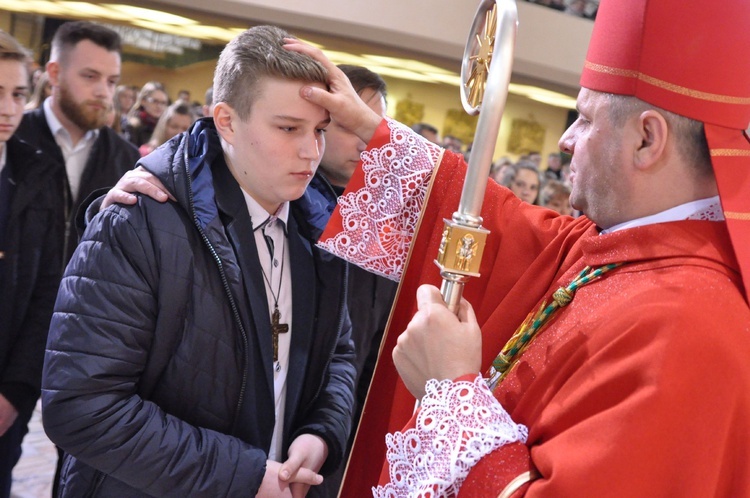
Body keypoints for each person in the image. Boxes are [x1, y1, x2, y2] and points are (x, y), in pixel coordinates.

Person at [282, 0, 750, 494]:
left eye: (586, 119)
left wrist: (449, 393)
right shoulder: (624, 251)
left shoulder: (691, 326)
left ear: (647, 139)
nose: (567, 139)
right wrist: (368, 127)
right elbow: (507, 231)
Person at [41, 25, 355, 497]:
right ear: (226, 120)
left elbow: (340, 354)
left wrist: (320, 431)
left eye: (320, 131)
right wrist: (243, 476)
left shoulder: (319, 227)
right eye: (289, 128)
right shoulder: (137, 218)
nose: (311, 151)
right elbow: (81, 406)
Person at [304, 63, 397, 497]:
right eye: (349, 124)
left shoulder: (384, 222)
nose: (364, 140)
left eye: (373, 126)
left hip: (341, 429)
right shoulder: (281, 202)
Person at [14, 21, 140, 267]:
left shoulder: (127, 159)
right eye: (90, 76)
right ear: (54, 74)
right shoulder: (14, 138)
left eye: (111, 81)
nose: (103, 92)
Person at [0, 30, 64, 498]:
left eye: (18, 94)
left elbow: (47, 289)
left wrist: (16, 392)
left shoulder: (39, 171)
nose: (7, 108)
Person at [124, 81, 168, 146]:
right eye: (155, 101)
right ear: (143, 101)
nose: (159, 106)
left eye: (163, 103)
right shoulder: (133, 126)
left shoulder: (166, 127)